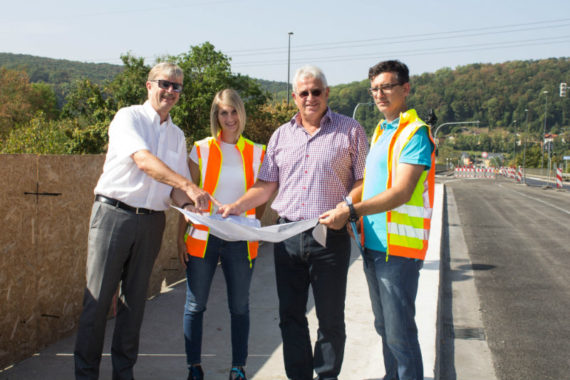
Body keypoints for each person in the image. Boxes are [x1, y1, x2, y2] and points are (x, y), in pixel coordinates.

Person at [219, 65, 369, 380]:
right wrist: (236, 206)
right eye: (304, 93)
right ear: (295, 97)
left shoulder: (350, 129)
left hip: (330, 235)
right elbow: (266, 186)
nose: (310, 98)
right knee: (290, 316)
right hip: (287, 236)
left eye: (316, 91)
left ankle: (326, 375)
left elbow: (363, 181)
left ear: (327, 93)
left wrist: (346, 208)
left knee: (329, 318)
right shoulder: (281, 135)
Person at [74, 62, 212, 380]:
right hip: (114, 216)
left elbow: (173, 192)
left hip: (151, 223)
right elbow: (144, 161)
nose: (170, 91)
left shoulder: (177, 135)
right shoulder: (129, 117)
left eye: (177, 87)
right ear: (149, 85)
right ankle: (85, 375)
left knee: (134, 306)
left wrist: (194, 205)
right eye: (164, 84)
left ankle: (124, 374)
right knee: (97, 304)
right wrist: (189, 185)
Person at [319, 60, 435, 380]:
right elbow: (370, 184)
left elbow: (400, 192)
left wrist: (351, 212)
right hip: (374, 246)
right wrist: (342, 205)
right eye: (374, 89)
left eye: (386, 87)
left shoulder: (415, 133)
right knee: (384, 328)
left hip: (398, 249)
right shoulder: (382, 132)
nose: (379, 94)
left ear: (405, 89)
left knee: (400, 335)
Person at [177, 89, 266, 380]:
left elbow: (261, 198)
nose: (229, 118)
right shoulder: (199, 149)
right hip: (203, 238)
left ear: (242, 113)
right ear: (216, 116)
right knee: (195, 304)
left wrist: (250, 226)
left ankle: (238, 368)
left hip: (239, 239)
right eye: (223, 112)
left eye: (234, 111)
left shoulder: (258, 151)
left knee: (239, 306)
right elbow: (186, 196)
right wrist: (180, 236)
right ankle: (194, 368)